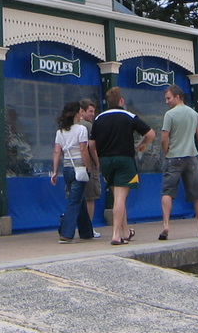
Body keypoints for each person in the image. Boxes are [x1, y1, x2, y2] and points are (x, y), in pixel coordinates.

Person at [89, 86, 154, 245]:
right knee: (120, 198)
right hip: (124, 159)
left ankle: (125, 232)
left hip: (106, 161)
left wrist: (98, 159)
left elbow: (91, 144)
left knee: (118, 197)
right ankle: (116, 235)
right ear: (121, 100)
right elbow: (151, 134)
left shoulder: (99, 118)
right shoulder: (128, 116)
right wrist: (142, 144)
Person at [158, 84, 198, 240]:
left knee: (167, 192)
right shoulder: (194, 114)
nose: (167, 101)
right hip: (191, 158)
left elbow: (164, 137)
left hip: (173, 157)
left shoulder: (169, 115)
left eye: (168, 98)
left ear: (177, 97)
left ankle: (166, 224)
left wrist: (166, 151)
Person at [50, 101, 95, 242]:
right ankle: (66, 233)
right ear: (77, 113)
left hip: (67, 169)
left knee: (78, 198)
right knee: (74, 202)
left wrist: (55, 171)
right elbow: (83, 150)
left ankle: (87, 232)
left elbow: (57, 152)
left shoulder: (60, 132)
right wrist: (88, 167)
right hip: (79, 168)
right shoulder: (81, 129)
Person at [78, 98, 103, 237]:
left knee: (76, 198)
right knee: (90, 198)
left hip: (74, 165)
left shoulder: (72, 125)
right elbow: (91, 146)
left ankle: (71, 227)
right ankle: (89, 228)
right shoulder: (88, 126)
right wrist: (97, 161)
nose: (93, 114)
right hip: (89, 166)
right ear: (82, 111)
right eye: (90, 111)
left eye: (94, 111)